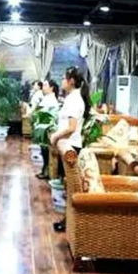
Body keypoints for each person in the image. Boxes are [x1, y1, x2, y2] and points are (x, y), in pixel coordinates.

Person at [49, 67, 91, 232]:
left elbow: (71, 127)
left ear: (71, 81)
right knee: (68, 184)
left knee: (71, 185)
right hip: (68, 145)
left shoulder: (74, 100)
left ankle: (70, 221)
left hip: (70, 146)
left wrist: (55, 136)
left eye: (63, 78)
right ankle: (68, 220)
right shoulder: (73, 97)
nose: (61, 81)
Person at [35, 79, 60, 180]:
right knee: (44, 151)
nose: (43, 87)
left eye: (45, 85)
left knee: (45, 152)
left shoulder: (51, 100)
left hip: (47, 129)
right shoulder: (47, 98)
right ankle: (45, 170)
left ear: (51, 88)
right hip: (43, 128)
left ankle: (46, 171)